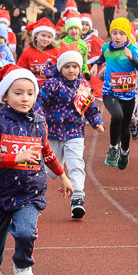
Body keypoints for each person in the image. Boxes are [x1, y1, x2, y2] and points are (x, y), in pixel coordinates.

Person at [0, 65, 73, 275]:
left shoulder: (40, 122)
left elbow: (47, 152)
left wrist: (62, 176)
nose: (25, 98)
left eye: (30, 93)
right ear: (5, 96)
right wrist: (12, 159)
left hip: (30, 193)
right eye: (18, 93)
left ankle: (23, 266)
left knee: (26, 232)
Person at [38, 50, 102, 219]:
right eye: (67, 67)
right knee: (50, 171)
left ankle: (78, 198)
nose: (71, 70)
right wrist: (36, 120)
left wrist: (96, 122)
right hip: (53, 133)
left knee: (76, 164)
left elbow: (90, 107)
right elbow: (38, 102)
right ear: (61, 68)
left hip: (75, 132)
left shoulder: (84, 87)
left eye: (75, 66)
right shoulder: (51, 85)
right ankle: (35, 192)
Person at [100, 18, 138, 169]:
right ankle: (113, 149)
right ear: (110, 34)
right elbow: (100, 59)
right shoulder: (106, 48)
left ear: (127, 36)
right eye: (114, 33)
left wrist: (132, 59)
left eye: (121, 34)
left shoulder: (132, 50)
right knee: (117, 116)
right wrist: (95, 67)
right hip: (110, 92)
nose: (118, 37)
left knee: (124, 129)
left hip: (128, 95)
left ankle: (124, 152)